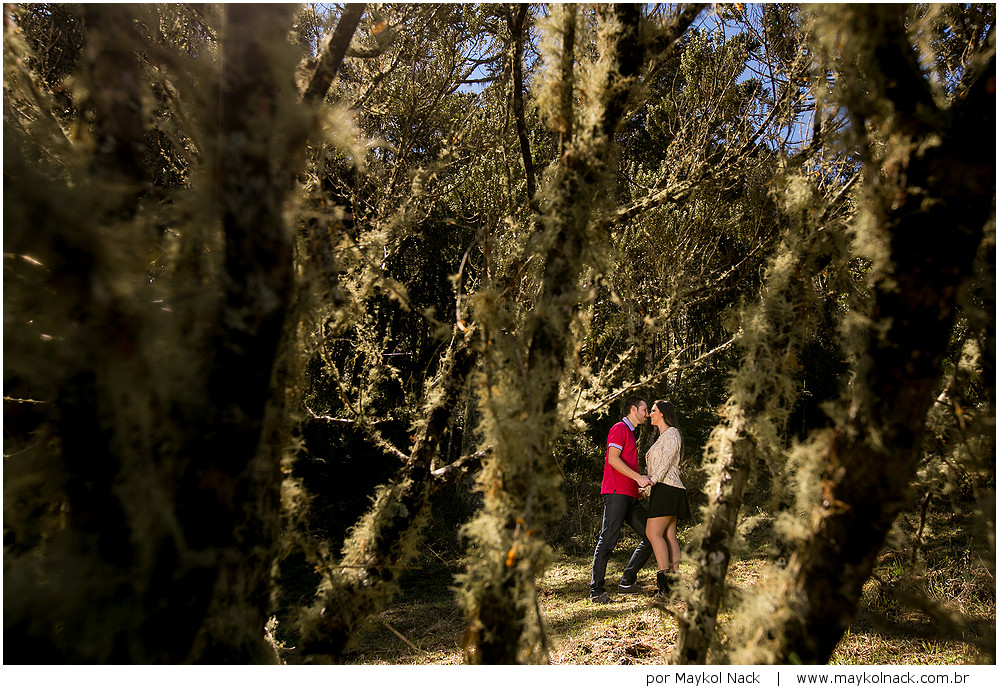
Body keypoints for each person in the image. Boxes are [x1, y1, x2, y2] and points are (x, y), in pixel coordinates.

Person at [589, 396, 656, 603]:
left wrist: (638, 488)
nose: (647, 414)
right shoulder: (619, 428)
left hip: (630, 495)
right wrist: (638, 478)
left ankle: (626, 582)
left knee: (652, 536)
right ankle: (596, 591)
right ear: (633, 409)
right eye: (644, 410)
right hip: (616, 493)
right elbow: (612, 459)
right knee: (608, 540)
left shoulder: (631, 433)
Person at [644, 400, 691, 597]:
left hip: (667, 489)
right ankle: (674, 586)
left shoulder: (672, 433)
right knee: (668, 535)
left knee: (653, 533)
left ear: (663, 413)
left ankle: (666, 587)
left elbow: (665, 463)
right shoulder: (662, 436)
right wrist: (648, 488)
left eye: (653, 411)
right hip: (664, 488)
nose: (649, 414)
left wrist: (652, 482)